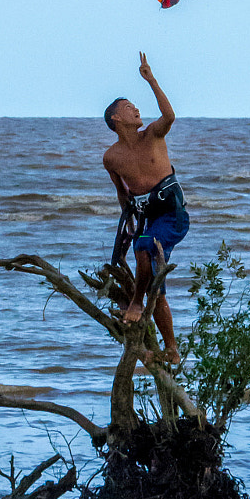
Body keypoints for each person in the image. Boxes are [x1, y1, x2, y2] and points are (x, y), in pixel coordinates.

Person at [102, 52, 189, 367]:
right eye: (128, 108)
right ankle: (171, 350)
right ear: (116, 119)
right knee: (157, 286)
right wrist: (126, 231)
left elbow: (169, 116)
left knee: (145, 247)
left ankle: (136, 304)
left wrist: (151, 79)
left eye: (135, 106)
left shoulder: (152, 135)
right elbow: (123, 198)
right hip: (149, 219)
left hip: (173, 215)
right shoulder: (111, 158)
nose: (136, 109)